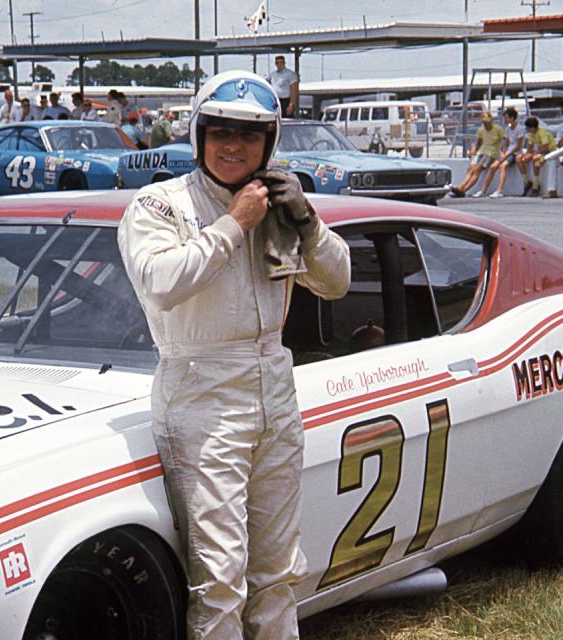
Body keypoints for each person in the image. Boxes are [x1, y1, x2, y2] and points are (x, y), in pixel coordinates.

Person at [117, 70, 350, 640]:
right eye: (219, 131)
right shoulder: (159, 204)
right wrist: (232, 224)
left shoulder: (281, 204)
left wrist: (310, 223)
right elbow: (158, 282)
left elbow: (338, 281)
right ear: (197, 134)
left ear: (269, 142)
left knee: (278, 572)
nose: (231, 146)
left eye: (248, 135)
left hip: (274, 385)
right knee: (219, 580)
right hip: (200, 392)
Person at [450, 112, 504, 197]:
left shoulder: (498, 129)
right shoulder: (481, 130)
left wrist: (503, 152)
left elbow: (506, 140)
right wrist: (474, 152)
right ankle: (461, 187)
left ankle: (464, 189)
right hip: (482, 151)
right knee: (470, 169)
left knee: (477, 170)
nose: (486, 125)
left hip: (491, 152)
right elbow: (479, 143)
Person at [484, 106, 523, 198]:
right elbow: (506, 143)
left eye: (506, 118)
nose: (504, 120)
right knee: (493, 166)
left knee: (502, 166)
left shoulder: (520, 129)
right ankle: (483, 190)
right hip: (507, 153)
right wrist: (503, 153)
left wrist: (507, 155)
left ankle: (499, 190)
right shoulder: (507, 129)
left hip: (514, 154)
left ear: (512, 118)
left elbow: (518, 146)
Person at [517, 116, 557, 196]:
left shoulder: (542, 133)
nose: (527, 130)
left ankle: (536, 184)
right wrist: (526, 155)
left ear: (532, 128)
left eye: (528, 128)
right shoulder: (531, 134)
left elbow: (545, 146)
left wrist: (532, 154)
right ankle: (526, 181)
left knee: (535, 159)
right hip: (540, 151)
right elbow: (530, 147)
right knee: (519, 159)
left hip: (549, 151)